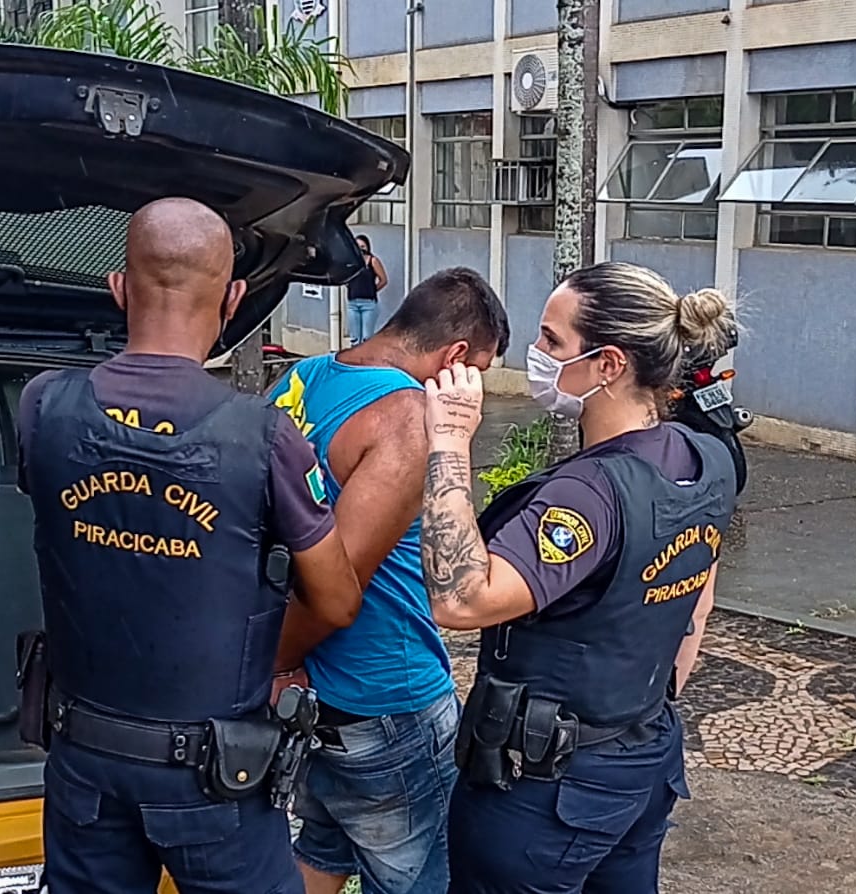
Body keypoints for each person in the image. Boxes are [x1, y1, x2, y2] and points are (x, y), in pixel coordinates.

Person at [17, 197, 363, 894]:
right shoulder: (263, 438)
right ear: (233, 299)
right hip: (212, 780)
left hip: (84, 761)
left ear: (120, 287)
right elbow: (336, 600)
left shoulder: (43, 405)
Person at [416, 261, 740, 893]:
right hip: (643, 755)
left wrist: (449, 441)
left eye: (552, 340)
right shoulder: (707, 456)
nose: (536, 354)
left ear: (607, 365)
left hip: (547, 792)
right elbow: (698, 591)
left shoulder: (589, 494)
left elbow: (461, 600)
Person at [267, 267, 510, 894]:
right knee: (427, 877)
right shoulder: (405, 416)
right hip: (385, 697)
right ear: (455, 357)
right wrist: (278, 662)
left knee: (322, 848)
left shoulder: (304, 377)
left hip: (311, 696)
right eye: (478, 370)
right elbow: (336, 587)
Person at [346, 234, 388, 347]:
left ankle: (366, 357)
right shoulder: (350, 262)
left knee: (366, 337)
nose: (361, 249)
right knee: (355, 338)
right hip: (352, 303)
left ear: (368, 247)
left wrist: (372, 290)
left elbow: (383, 280)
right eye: (357, 246)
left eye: (363, 246)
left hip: (368, 304)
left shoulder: (373, 261)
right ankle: (355, 356)